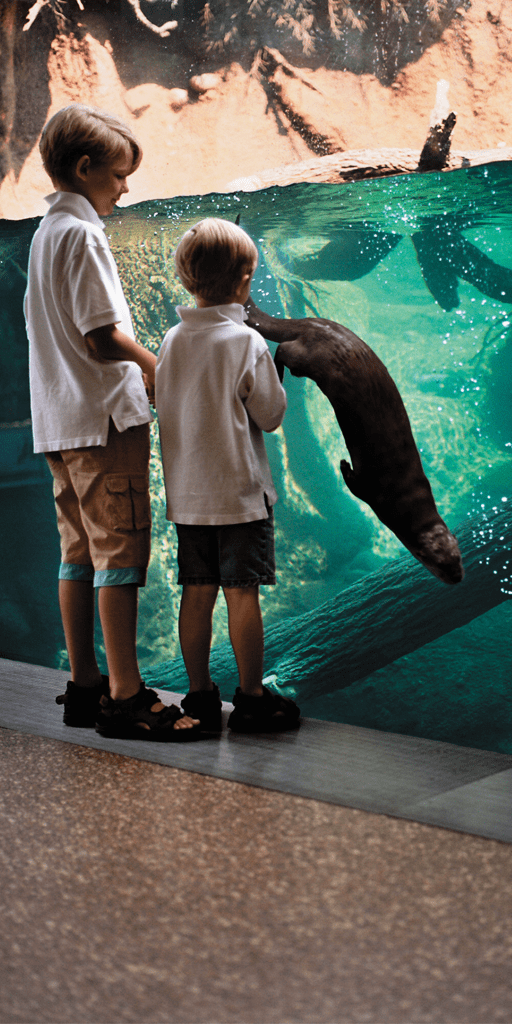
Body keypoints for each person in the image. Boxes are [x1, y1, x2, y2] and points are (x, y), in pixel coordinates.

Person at [24, 103, 200, 741]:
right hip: (103, 424)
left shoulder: (46, 232)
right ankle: (128, 697)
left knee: (78, 556)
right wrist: (157, 366)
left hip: (60, 424)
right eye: (120, 175)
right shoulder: (84, 233)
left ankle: (85, 685)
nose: (126, 188)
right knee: (120, 557)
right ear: (85, 167)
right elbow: (102, 338)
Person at [155, 217, 301, 733]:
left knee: (197, 592)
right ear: (244, 281)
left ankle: (198, 698)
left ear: (187, 279)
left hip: (189, 500)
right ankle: (252, 698)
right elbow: (271, 415)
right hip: (239, 498)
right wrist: (275, 377)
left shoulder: (171, 341)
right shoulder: (245, 342)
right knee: (242, 593)